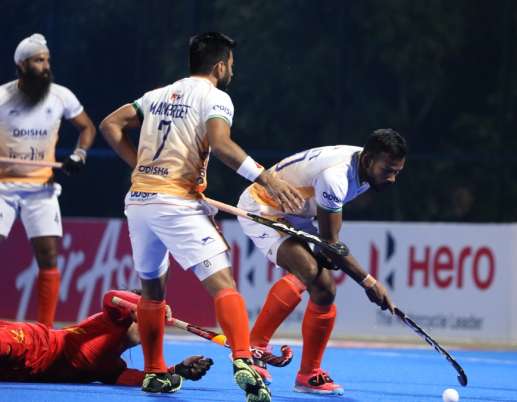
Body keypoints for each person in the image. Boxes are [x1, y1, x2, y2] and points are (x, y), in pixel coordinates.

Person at [99, 31, 303, 400]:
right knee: (223, 284)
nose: (232, 72)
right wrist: (266, 177)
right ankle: (244, 360)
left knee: (152, 290)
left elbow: (109, 125)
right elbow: (222, 144)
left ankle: (155, 373)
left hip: (140, 202)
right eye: (231, 65)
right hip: (176, 203)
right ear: (220, 64)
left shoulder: (156, 95)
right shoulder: (215, 97)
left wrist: (139, 166)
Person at [237, 129, 406, 395]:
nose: (392, 178)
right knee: (309, 271)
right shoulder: (335, 176)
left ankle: (308, 375)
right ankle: (253, 346)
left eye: (397, 171)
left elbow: (328, 237)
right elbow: (331, 241)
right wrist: (369, 282)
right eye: (388, 170)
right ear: (368, 159)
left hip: (297, 212)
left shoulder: (365, 168)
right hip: (263, 207)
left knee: (325, 289)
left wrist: (326, 249)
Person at [0, 33, 96, 328]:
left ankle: (44, 333)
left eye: (47, 60)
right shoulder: (2, 97)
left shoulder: (61, 96)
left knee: (48, 254)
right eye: (38, 60)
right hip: (2, 187)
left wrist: (79, 155)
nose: (45, 66)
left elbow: (87, 128)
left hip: (41, 189)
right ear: (21, 65)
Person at [0, 289, 213, 386]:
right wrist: (142, 305)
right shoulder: (110, 320)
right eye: (145, 320)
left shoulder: (111, 367)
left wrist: (178, 371)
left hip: (19, 372)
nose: (150, 327)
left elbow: (140, 379)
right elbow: (111, 297)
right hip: (31, 342)